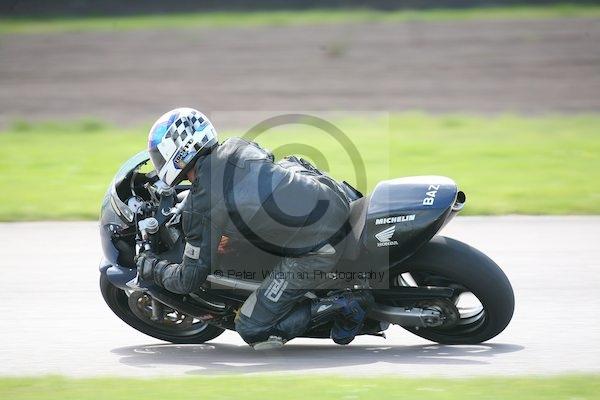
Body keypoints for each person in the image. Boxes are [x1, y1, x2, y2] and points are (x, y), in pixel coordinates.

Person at [136, 107, 374, 349]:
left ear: (178, 153)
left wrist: (152, 267)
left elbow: (188, 280)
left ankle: (345, 304)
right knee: (287, 163)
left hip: (320, 245)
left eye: (160, 156)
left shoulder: (201, 207)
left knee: (251, 327)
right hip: (331, 196)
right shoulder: (236, 146)